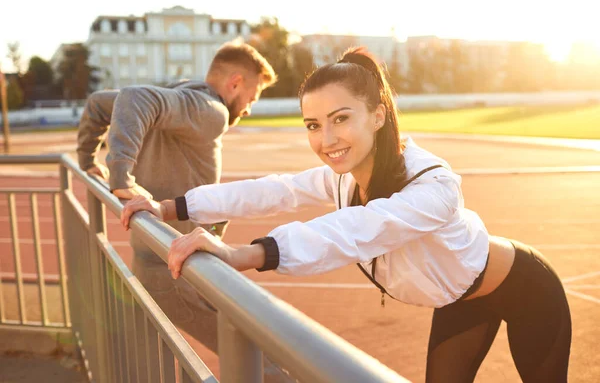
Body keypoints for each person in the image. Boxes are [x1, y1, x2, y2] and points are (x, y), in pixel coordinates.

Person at [120, 47, 572, 382]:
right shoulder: (343, 175)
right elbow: (276, 190)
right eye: (314, 125)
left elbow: (353, 231)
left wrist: (242, 254)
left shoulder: (435, 186)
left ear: (377, 115)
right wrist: (167, 206)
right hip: (459, 300)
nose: (326, 139)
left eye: (341, 119)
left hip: (526, 290)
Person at [77, 41, 294, 382]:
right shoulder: (212, 110)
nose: (249, 108)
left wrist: (88, 161)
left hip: (164, 260)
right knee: (258, 354)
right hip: (176, 270)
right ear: (235, 83)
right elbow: (135, 97)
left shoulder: (178, 99)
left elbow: (98, 103)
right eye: (252, 97)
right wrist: (119, 176)